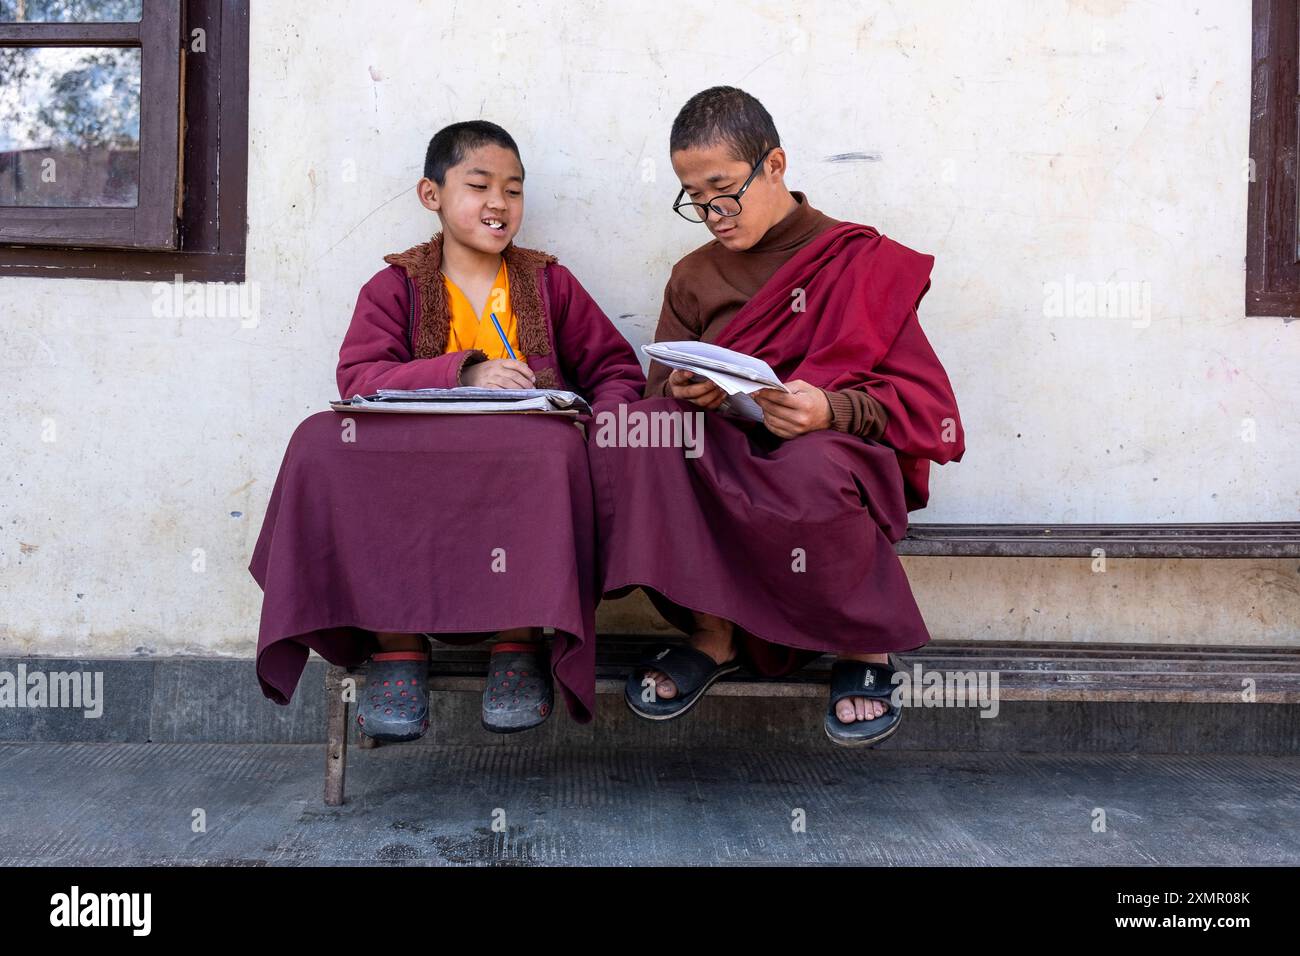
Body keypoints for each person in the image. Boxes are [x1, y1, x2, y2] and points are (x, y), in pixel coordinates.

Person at [588, 87, 965, 746]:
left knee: (810, 467)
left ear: (775, 165)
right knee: (639, 444)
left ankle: (862, 647)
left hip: (825, 450)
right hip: (724, 453)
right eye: (694, 198)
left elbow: (928, 406)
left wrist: (830, 408)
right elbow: (656, 398)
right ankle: (715, 633)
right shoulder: (694, 275)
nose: (712, 213)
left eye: (723, 189)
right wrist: (686, 393)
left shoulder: (859, 261)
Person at [249, 121, 645, 740]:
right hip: (418, 454)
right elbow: (359, 378)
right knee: (318, 442)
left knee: (552, 449)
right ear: (431, 195)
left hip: (518, 452)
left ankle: (519, 642)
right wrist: (466, 372)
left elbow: (616, 369)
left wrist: (595, 422)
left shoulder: (547, 283)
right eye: (479, 185)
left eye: (513, 191)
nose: (499, 204)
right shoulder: (396, 285)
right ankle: (395, 648)